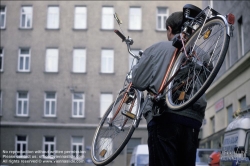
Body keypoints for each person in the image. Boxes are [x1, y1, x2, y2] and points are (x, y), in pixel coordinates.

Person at [131, 11, 207, 166]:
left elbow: (138, 82)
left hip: (164, 118)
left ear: (170, 29)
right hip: (192, 121)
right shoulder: (202, 56)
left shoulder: (156, 49)